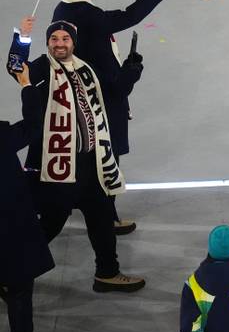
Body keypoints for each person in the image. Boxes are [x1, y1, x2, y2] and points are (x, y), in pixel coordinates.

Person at [13, 20, 144, 292]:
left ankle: (107, 272)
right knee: (49, 225)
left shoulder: (85, 70)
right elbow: (17, 70)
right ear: (48, 43)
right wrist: (22, 38)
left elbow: (113, 92)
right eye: (54, 39)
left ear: (73, 43)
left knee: (101, 217)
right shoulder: (43, 68)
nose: (59, 44)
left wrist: (130, 70)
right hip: (57, 169)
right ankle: (10, 271)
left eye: (65, 39)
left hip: (89, 165)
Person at [49, 0, 167, 235]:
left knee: (97, 158)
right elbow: (129, 16)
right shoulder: (88, 14)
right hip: (101, 100)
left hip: (81, 96)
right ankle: (104, 216)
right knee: (107, 159)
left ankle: (104, 211)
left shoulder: (63, 9)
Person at [0, 118, 65, 332]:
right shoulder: (3, 137)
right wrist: (28, 87)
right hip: (7, 227)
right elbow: (33, 126)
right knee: (19, 287)